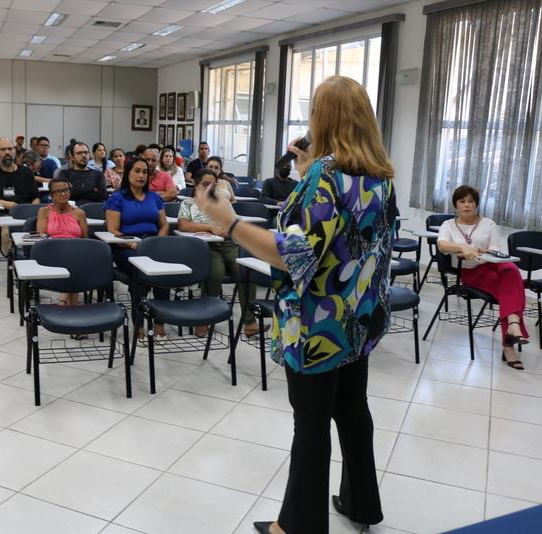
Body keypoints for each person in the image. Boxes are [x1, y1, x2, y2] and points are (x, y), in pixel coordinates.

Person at [195, 76, 394, 534]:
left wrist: (228, 221)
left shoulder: (326, 176)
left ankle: (297, 527)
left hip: (317, 323)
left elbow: (293, 253)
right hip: (358, 317)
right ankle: (362, 504)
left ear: (323, 119)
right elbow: (347, 236)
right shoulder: (380, 176)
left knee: (311, 423)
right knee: (353, 409)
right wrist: (309, 173)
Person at [437, 184, 529, 369]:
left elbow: (494, 249)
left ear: (476, 204)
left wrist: (478, 251)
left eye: (471, 201)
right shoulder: (448, 225)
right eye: (462, 201)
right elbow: (442, 245)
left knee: (511, 269)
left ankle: (513, 328)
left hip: (491, 265)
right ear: (455, 205)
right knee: (512, 289)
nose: (467, 205)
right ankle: (510, 339)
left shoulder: (489, 224)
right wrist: (463, 247)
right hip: (471, 272)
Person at [177, 168, 262, 337]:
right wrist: (210, 228)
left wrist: (227, 229)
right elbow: (183, 225)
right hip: (206, 247)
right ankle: (205, 318)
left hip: (229, 244)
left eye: (213, 185)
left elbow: (234, 223)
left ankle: (249, 321)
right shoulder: (188, 203)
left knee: (246, 271)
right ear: (196, 184)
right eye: (205, 184)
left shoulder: (223, 203)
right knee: (215, 273)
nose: (210, 188)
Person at [105, 156, 170, 340]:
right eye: (137, 171)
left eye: (145, 172)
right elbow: (113, 230)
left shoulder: (154, 197)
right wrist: (132, 244)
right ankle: (139, 323)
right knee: (140, 272)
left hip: (152, 245)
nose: (141, 175)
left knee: (162, 271)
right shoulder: (117, 198)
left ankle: (159, 322)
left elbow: (164, 225)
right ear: (128, 173)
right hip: (126, 247)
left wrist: (157, 242)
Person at [36, 177, 89, 326]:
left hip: (75, 253)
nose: (63, 194)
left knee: (74, 265)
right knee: (72, 267)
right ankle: (73, 314)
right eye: (58, 191)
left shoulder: (79, 213)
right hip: (52, 252)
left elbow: (85, 239)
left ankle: (66, 306)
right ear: (51, 195)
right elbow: (41, 236)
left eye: (65, 190)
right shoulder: (44, 211)